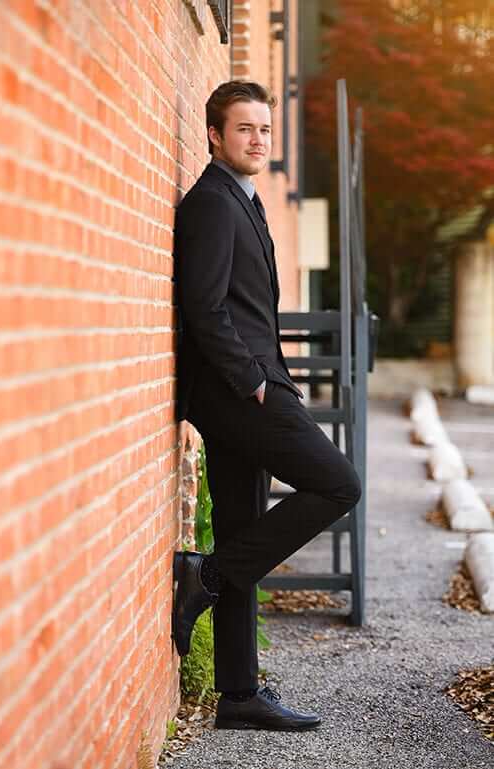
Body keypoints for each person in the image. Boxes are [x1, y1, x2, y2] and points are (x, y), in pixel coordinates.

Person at [172, 80, 361, 731]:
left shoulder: (241, 199)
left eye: (264, 129)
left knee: (245, 524)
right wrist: (255, 378)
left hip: (245, 389)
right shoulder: (214, 204)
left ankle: (239, 693)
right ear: (215, 135)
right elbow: (204, 305)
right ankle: (211, 573)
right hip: (237, 394)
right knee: (339, 482)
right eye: (245, 129)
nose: (258, 139)